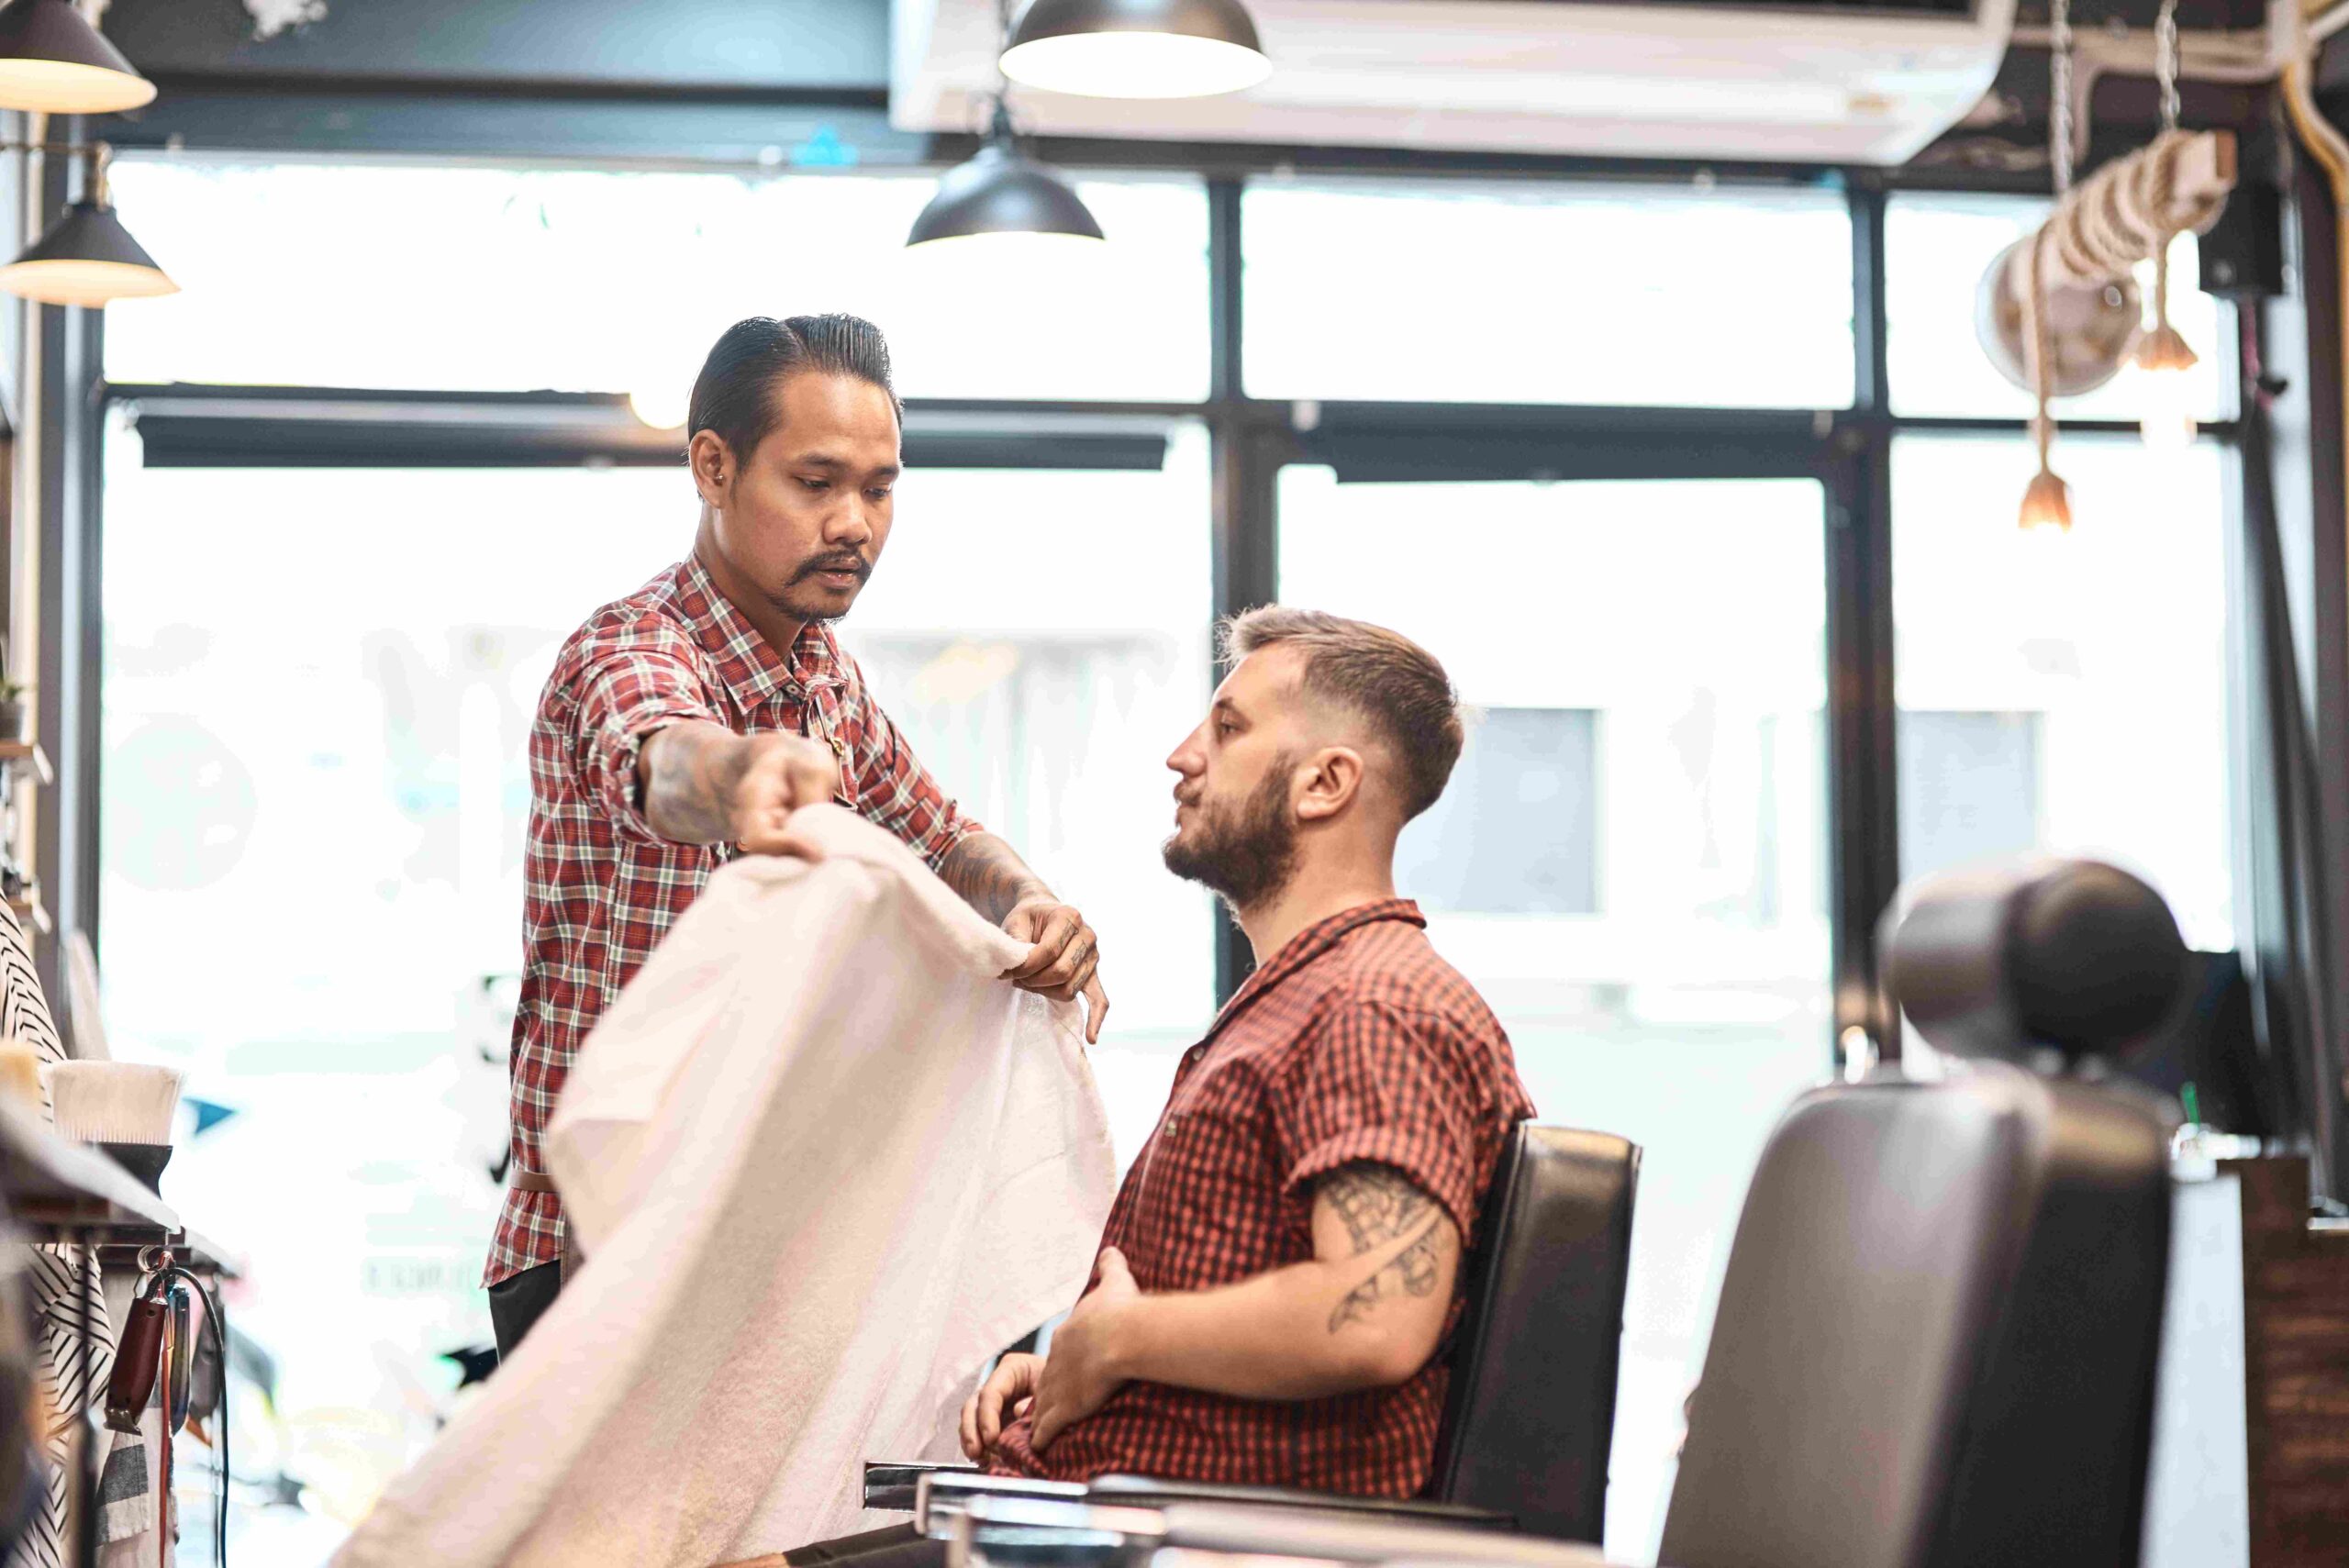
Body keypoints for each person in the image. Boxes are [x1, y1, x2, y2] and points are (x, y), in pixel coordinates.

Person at [782, 606, 1534, 1568]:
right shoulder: (1297, 997)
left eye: (1228, 728)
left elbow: (1376, 1317)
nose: (1182, 755)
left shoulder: (1372, 1001)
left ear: (1326, 781)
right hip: (1075, 1510)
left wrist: (1125, 1340)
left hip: (1152, 1539)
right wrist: (1080, 1362)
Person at [484, 315, 1111, 1361]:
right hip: (602, 1250)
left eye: (878, 486)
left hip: (749, 1244)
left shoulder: (826, 678)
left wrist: (1026, 898)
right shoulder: (630, 644)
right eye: (816, 482)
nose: (854, 521)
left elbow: (946, 835)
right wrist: (739, 779)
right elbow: (657, 752)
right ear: (713, 468)